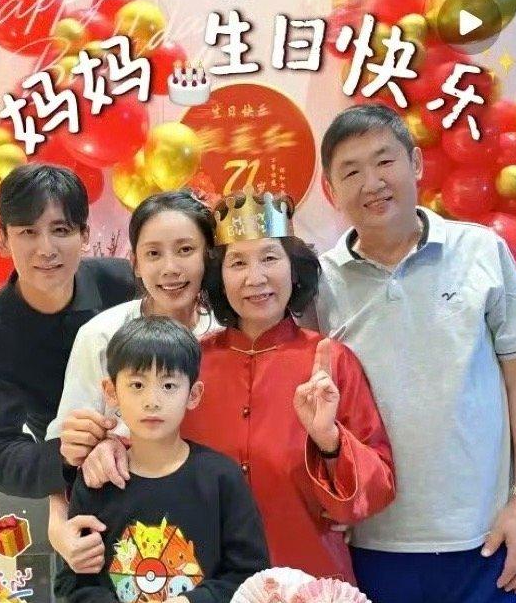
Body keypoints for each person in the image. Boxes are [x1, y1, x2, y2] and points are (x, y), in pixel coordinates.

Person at [78, 188, 395, 582]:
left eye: (270, 258)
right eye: (238, 262)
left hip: (308, 579)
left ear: (293, 268)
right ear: (219, 276)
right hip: (203, 586)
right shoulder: (190, 363)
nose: (254, 278)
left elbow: (375, 491)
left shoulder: (330, 362)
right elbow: (153, 447)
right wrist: (111, 446)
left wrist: (330, 442)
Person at [318, 103, 516, 603]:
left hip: (485, 539)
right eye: (351, 171)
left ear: (415, 163)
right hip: (373, 546)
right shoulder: (320, 280)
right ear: (331, 189)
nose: (372, 182)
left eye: (384, 161)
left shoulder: (480, 251)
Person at [53, 317, 269, 603]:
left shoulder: (221, 479)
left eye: (169, 385)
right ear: (111, 392)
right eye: (137, 385)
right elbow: (72, 583)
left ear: (193, 394)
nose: (152, 400)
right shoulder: (97, 483)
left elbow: (252, 579)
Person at [45, 190, 219, 573]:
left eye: (185, 250)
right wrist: (58, 528)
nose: (170, 268)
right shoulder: (102, 336)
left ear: (208, 256)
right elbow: (65, 451)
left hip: (214, 524)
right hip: (127, 532)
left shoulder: (227, 334)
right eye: (153, 253)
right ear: (135, 264)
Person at [0, 163, 135, 511]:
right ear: (3, 239)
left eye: (61, 230)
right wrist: (64, 455)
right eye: (28, 232)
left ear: (84, 235)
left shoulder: (126, 285)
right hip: (78, 489)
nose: (46, 248)